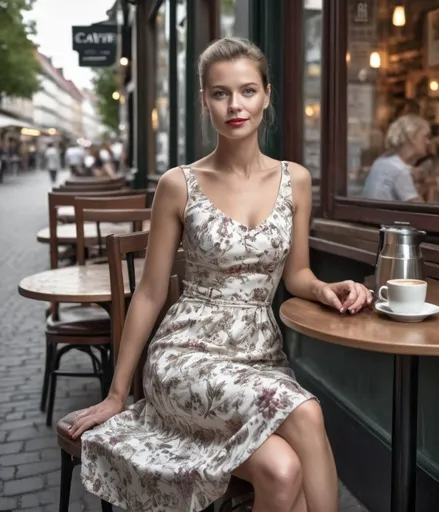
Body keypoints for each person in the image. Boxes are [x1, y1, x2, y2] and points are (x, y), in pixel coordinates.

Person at [69, 37, 373, 512]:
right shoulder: (178, 184)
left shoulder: (297, 179)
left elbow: (296, 275)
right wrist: (116, 392)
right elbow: (149, 294)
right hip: (185, 357)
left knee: (284, 471)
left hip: (258, 357)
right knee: (309, 411)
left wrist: (326, 288)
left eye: (248, 91)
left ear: (267, 95)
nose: (235, 105)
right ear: (204, 101)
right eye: (220, 93)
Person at [361, 114, 430, 202]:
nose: (428, 142)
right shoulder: (399, 170)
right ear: (412, 137)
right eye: (425, 136)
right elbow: (421, 211)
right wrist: (428, 186)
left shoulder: (382, 161)